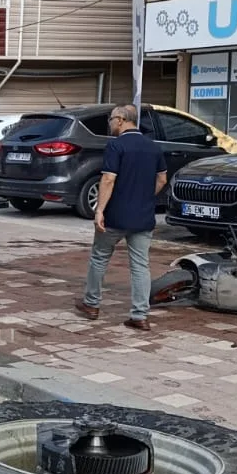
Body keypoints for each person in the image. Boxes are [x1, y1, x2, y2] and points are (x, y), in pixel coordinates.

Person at [76, 104, 166, 332]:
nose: (109, 124)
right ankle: (140, 315)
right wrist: (145, 197)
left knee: (99, 257)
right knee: (140, 265)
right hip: (143, 217)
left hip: (116, 215)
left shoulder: (116, 145)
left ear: (121, 120)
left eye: (111, 119)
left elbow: (108, 179)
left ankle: (92, 304)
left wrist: (99, 210)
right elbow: (162, 179)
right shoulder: (153, 147)